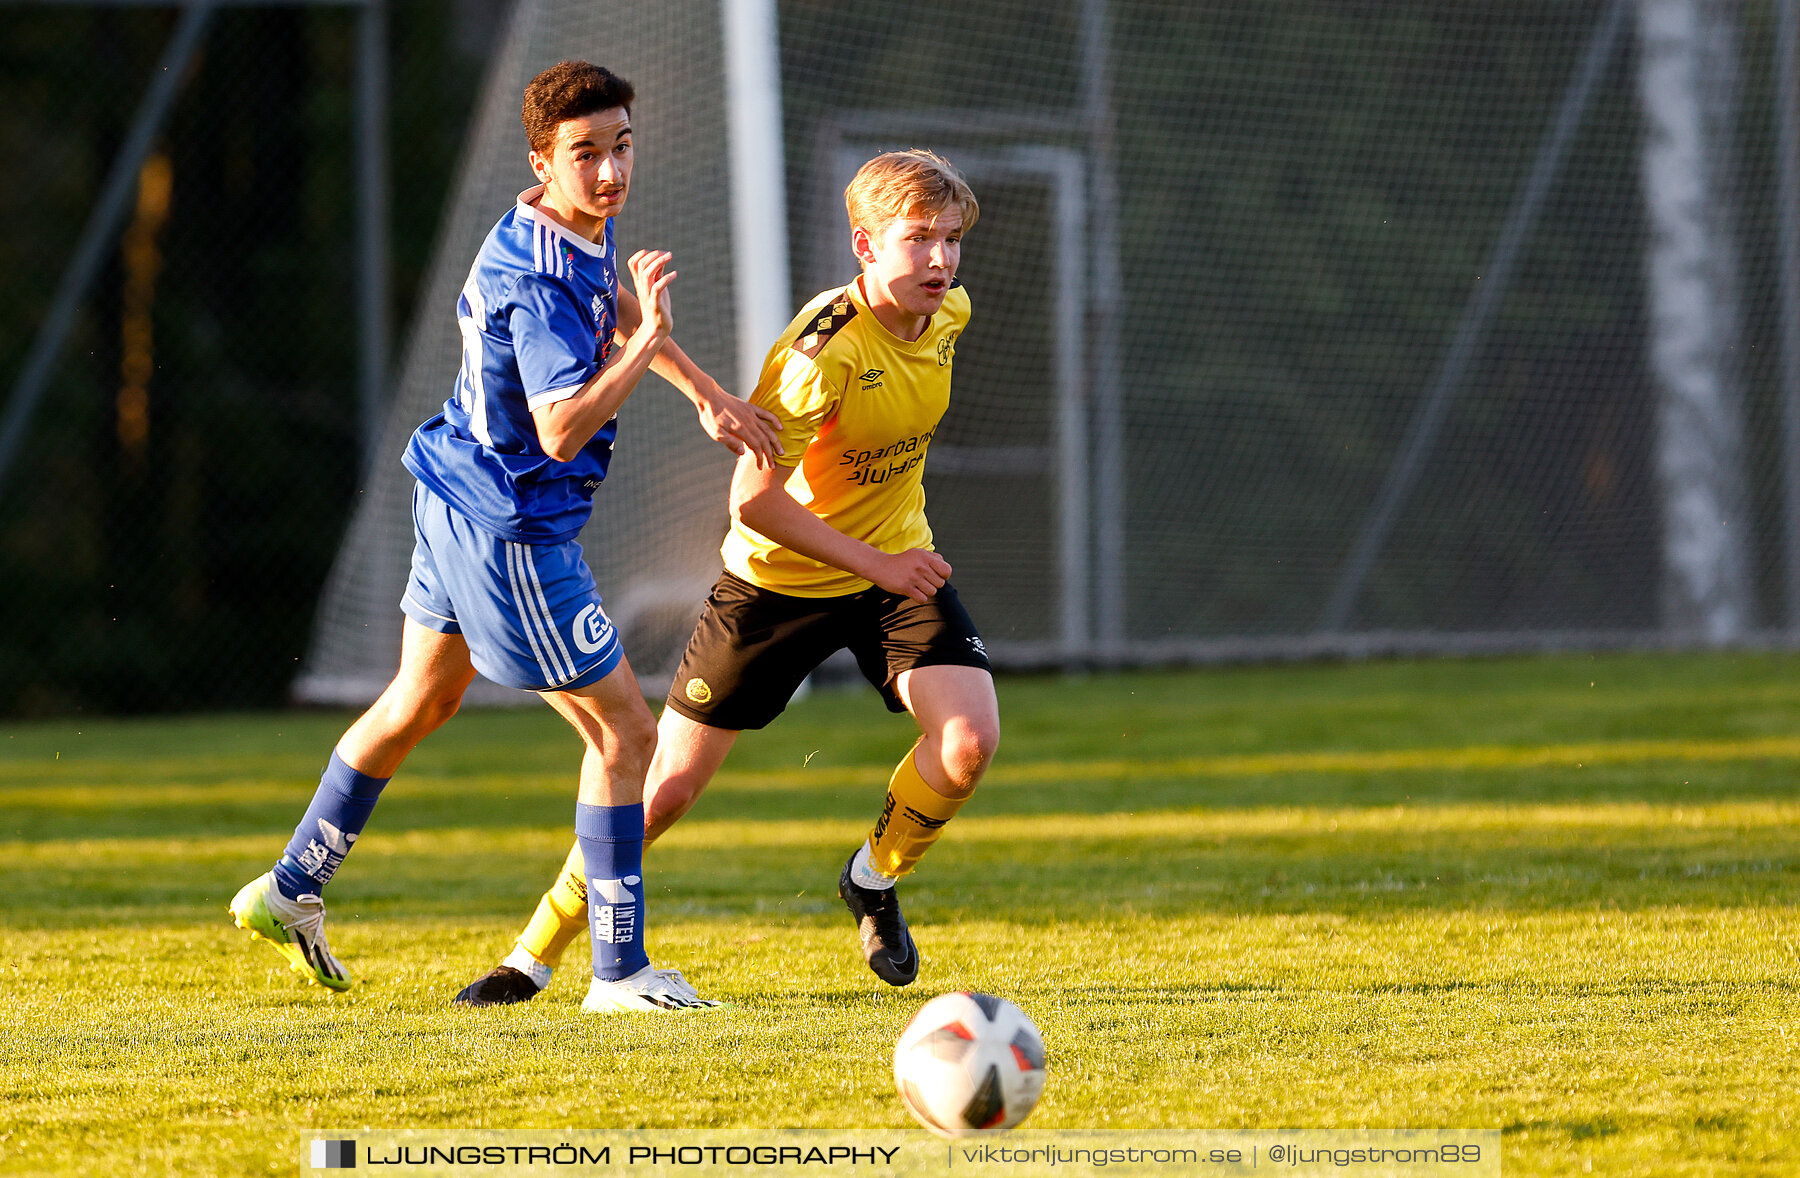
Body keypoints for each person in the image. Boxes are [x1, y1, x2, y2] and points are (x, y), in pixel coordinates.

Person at [228, 60, 779, 1013]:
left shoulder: (561, 228)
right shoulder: (532, 272)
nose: (610, 172)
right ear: (541, 157)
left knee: (420, 701)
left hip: (452, 490)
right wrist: (651, 342)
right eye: (586, 154)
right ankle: (619, 972)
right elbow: (562, 422)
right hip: (509, 526)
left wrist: (710, 398)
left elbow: (610, 317)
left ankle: (291, 885)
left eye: (621, 147)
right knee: (626, 732)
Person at [454, 148, 996, 1006]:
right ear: (864, 243)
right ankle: (533, 953)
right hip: (777, 585)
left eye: (951, 240)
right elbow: (754, 502)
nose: (939, 260)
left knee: (966, 744)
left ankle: (873, 880)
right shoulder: (823, 351)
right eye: (917, 238)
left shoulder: (948, 313)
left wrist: (889, 565)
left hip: (892, 568)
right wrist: (879, 563)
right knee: (662, 791)